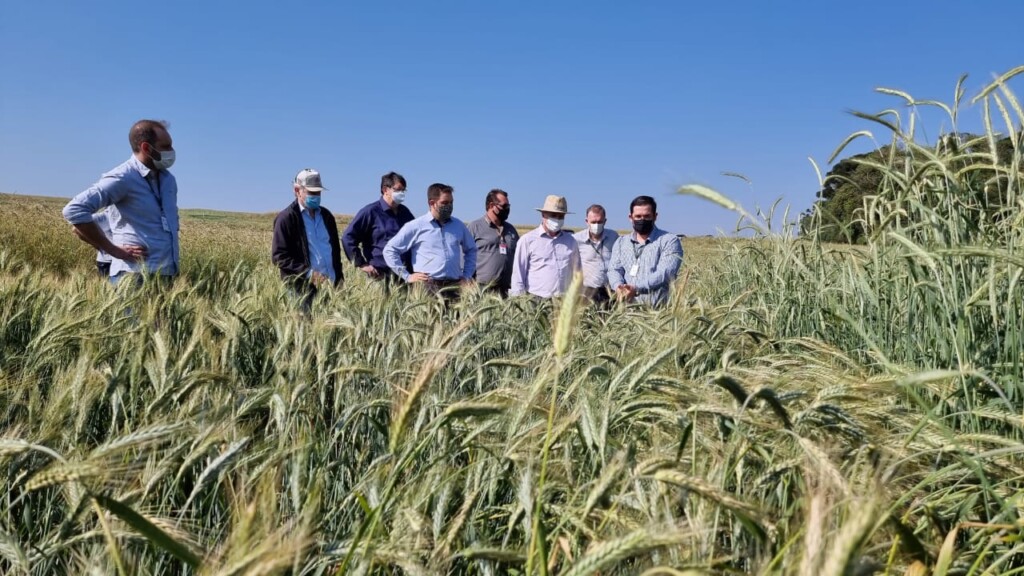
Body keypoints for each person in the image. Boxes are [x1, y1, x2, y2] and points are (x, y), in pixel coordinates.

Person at [62, 119, 180, 285]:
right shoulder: (123, 177)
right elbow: (74, 210)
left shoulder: (168, 180)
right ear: (147, 148)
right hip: (132, 276)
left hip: (167, 273)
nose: (172, 151)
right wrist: (112, 250)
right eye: (166, 146)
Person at [382, 183, 477, 297]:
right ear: (432, 203)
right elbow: (389, 250)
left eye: (451, 202)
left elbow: (471, 250)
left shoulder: (458, 225)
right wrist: (408, 276)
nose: (449, 206)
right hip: (428, 288)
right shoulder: (416, 225)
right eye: (444, 203)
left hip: (455, 287)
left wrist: (467, 276)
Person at [272, 169, 344, 305]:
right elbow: (279, 257)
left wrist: (339, 279)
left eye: (318, 192)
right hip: (301, 290)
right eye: (311, 192)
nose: (316, 196)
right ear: (297, 190)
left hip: (330, 288)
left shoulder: (327, 216)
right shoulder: (286, 219)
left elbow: (335, 252)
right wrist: (309, 274)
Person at [608, 195, 683, 306]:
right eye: (638, 216)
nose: (642, 220)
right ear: (630, 217)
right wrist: (618, 287)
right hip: (626, 312)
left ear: (655, 216)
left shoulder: (669, 240)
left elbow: (666, 273)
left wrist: (636, 289)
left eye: (647, 216)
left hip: (658, 312)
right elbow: (614, 270)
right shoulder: (621, 242)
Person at [342, 171, 415, 285]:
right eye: (398, 190)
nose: (401, 193)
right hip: (380, 276)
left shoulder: (405, 213)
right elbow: (348, 238)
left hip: (404, 276)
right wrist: (362, 264)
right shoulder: (370, 212)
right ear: (386, 189)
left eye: (403, 190)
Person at [509, 195, 581, 299]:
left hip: (563, 301)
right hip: (535, 299)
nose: (557, 219)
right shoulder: (527, 240)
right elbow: (518, 275)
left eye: (561, 216)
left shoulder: (571, 241)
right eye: (553, 215)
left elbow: (577, 272)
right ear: (543, 215)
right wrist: (518, 301)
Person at [467, 189, 519, 297]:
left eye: (509, 206)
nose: (507, 209)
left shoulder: (511, 230)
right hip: (481, 289)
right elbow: (464, 257)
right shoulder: (475, 227)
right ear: (491, 205)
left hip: (505, 291)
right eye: (504, 206)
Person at [572, 204, 619, 304]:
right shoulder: (576, 239)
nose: (596, 225)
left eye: (599, 222)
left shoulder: (613, 237)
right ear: (586, 221)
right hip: (586, 291)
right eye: (593, 222)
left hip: (609, 292)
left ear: (605, 221)